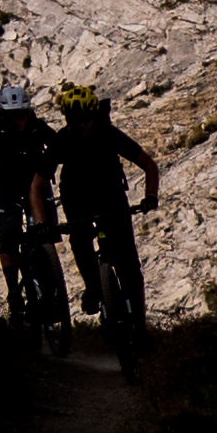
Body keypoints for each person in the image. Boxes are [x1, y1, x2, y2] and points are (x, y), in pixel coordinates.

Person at [53, 82, 160, 320]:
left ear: (94, 117)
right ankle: (93, 287)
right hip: (76, 198)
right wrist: (42, 222)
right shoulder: (63, 139)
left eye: (84, 120)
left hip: (109, 196)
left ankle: (139, 325)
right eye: (73, 120)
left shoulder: (109, 135)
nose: (80, 126)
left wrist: (150, 197)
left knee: (129, 265)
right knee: (79, 239)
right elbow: (38, 183)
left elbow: (149, 166)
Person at [0, 78, 60, 316]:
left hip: (36, 186)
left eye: (22, 114)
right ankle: (14, 293)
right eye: (14, 115)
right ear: (4, 115)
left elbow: (61, 147)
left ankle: (50, 290)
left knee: (46, 233)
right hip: (5, 188)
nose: (20, 120)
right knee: (8, 235)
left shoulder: (38, 127)